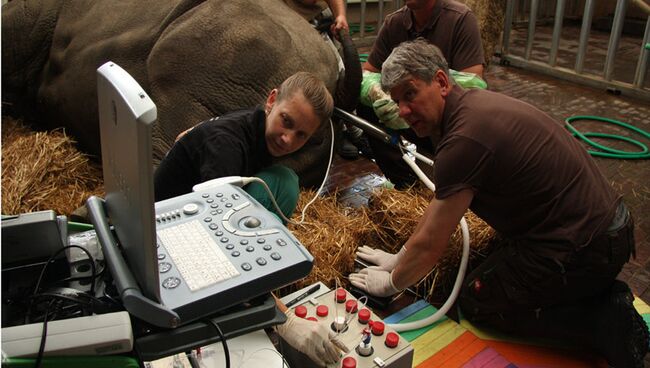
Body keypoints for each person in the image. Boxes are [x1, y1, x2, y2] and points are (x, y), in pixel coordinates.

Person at [349, 39, 649, 368]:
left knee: (477, 301)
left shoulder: (462, 140)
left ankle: (603, 320)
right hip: (601, 229)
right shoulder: (474, 106)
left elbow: (433, 243)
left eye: (411, 93)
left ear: (442, 82)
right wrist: (399, 258)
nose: (403, 110)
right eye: (397, 101)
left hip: (585, 245)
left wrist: (393, 282)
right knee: (492, 274)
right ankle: (594, 295)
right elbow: (438, 212)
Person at [154, 72, 347, 366]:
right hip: (170, 242)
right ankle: (240, 298)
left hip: (197, 214)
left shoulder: (255, 126)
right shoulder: (227, 146)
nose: (288, 139)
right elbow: (216, 241)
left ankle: (258, 275)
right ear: (271, 100)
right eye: (287, 121)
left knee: (284, 180)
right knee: (276, 187)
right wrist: (281, 317)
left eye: (301, 135)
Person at [360, 0, 485, 187]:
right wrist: (381, 95)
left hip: (445, 118)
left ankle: (446, 169)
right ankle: (405, 183)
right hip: (411, 115)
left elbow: (474, 84)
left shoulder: (460, 19)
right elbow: (368, 73)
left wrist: (421, 91)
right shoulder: (394, 22)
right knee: (365, 105)